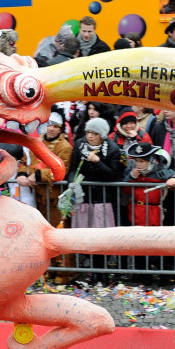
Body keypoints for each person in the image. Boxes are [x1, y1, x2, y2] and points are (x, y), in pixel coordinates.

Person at [16, 111, 75, 284]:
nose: (51, 129)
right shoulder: (36, 143)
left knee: (59, 235)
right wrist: (21, 174)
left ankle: (64, 272)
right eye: (49, 125)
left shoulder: (65, 147)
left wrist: (38, 175)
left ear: (60, 129)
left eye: (55, 126)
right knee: (42, 238)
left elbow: (61, 171)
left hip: (55, 200)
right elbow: (24, 161)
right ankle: (46, 270)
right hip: (38, 199)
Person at [67, 117, 123, 281]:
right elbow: (72, 169)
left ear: (102, 135)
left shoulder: (112, 149)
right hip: (84, 198)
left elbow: (113, 175)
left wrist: (98, 162)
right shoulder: (79, 145)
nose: (89, 136)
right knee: (87, 237)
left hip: (102, 200)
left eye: (94, 133)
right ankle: (92, 272)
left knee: (102, 238)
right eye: (88, 132)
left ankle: (103, 273)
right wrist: (71, 184)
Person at [123, 142, 175, 227]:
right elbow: (125, 190)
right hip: (135, 212)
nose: (138, 164)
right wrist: (132, 177)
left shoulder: (160, 170)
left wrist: (174, 179)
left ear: (150, 161)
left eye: (142, 161)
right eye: (136, 160)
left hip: (154, 213)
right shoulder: (132, 170)